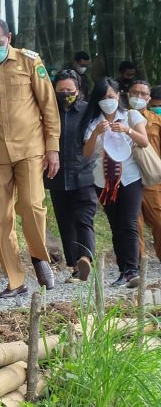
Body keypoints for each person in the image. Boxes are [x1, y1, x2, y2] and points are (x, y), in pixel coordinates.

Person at [0, 17, 60, 298]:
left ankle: (39, 256)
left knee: (31, 205)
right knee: (1, 219)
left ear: (9, 37)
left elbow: (49, 107)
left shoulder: (30, 62)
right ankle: (15, 280)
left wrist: (52, 147)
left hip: (30, 148)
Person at [81, 78, 150, 287]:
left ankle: (132, 270)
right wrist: (96, 133)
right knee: (116, 225)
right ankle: (122, 270)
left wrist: (127, 130)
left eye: (111, 96)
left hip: (130, 177)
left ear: (119, 96)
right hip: (104, 181)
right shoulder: (93, 122)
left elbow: (144, 141)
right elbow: (87, 153)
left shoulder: (130, 115)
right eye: (102, 98)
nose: (107, 101)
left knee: (129, 222)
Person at [48, 70, 98, 282]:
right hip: (57, 177)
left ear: (78, 90)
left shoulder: (88, 111)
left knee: (83, 219)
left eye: (70, 90)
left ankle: (86, 258)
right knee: (65, 222)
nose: (66, 94)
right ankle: (76, 266)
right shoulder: (49, 113)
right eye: (61, 90)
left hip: (84, 175)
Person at [141, 84, 161, 267]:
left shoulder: (156, 121)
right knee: (133, 225)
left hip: (152, 179)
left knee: (158, 221)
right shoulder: (120, 121)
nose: (138, 96)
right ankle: (136, 267)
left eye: (142, 94)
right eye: (134, 93)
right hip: (127, 178)